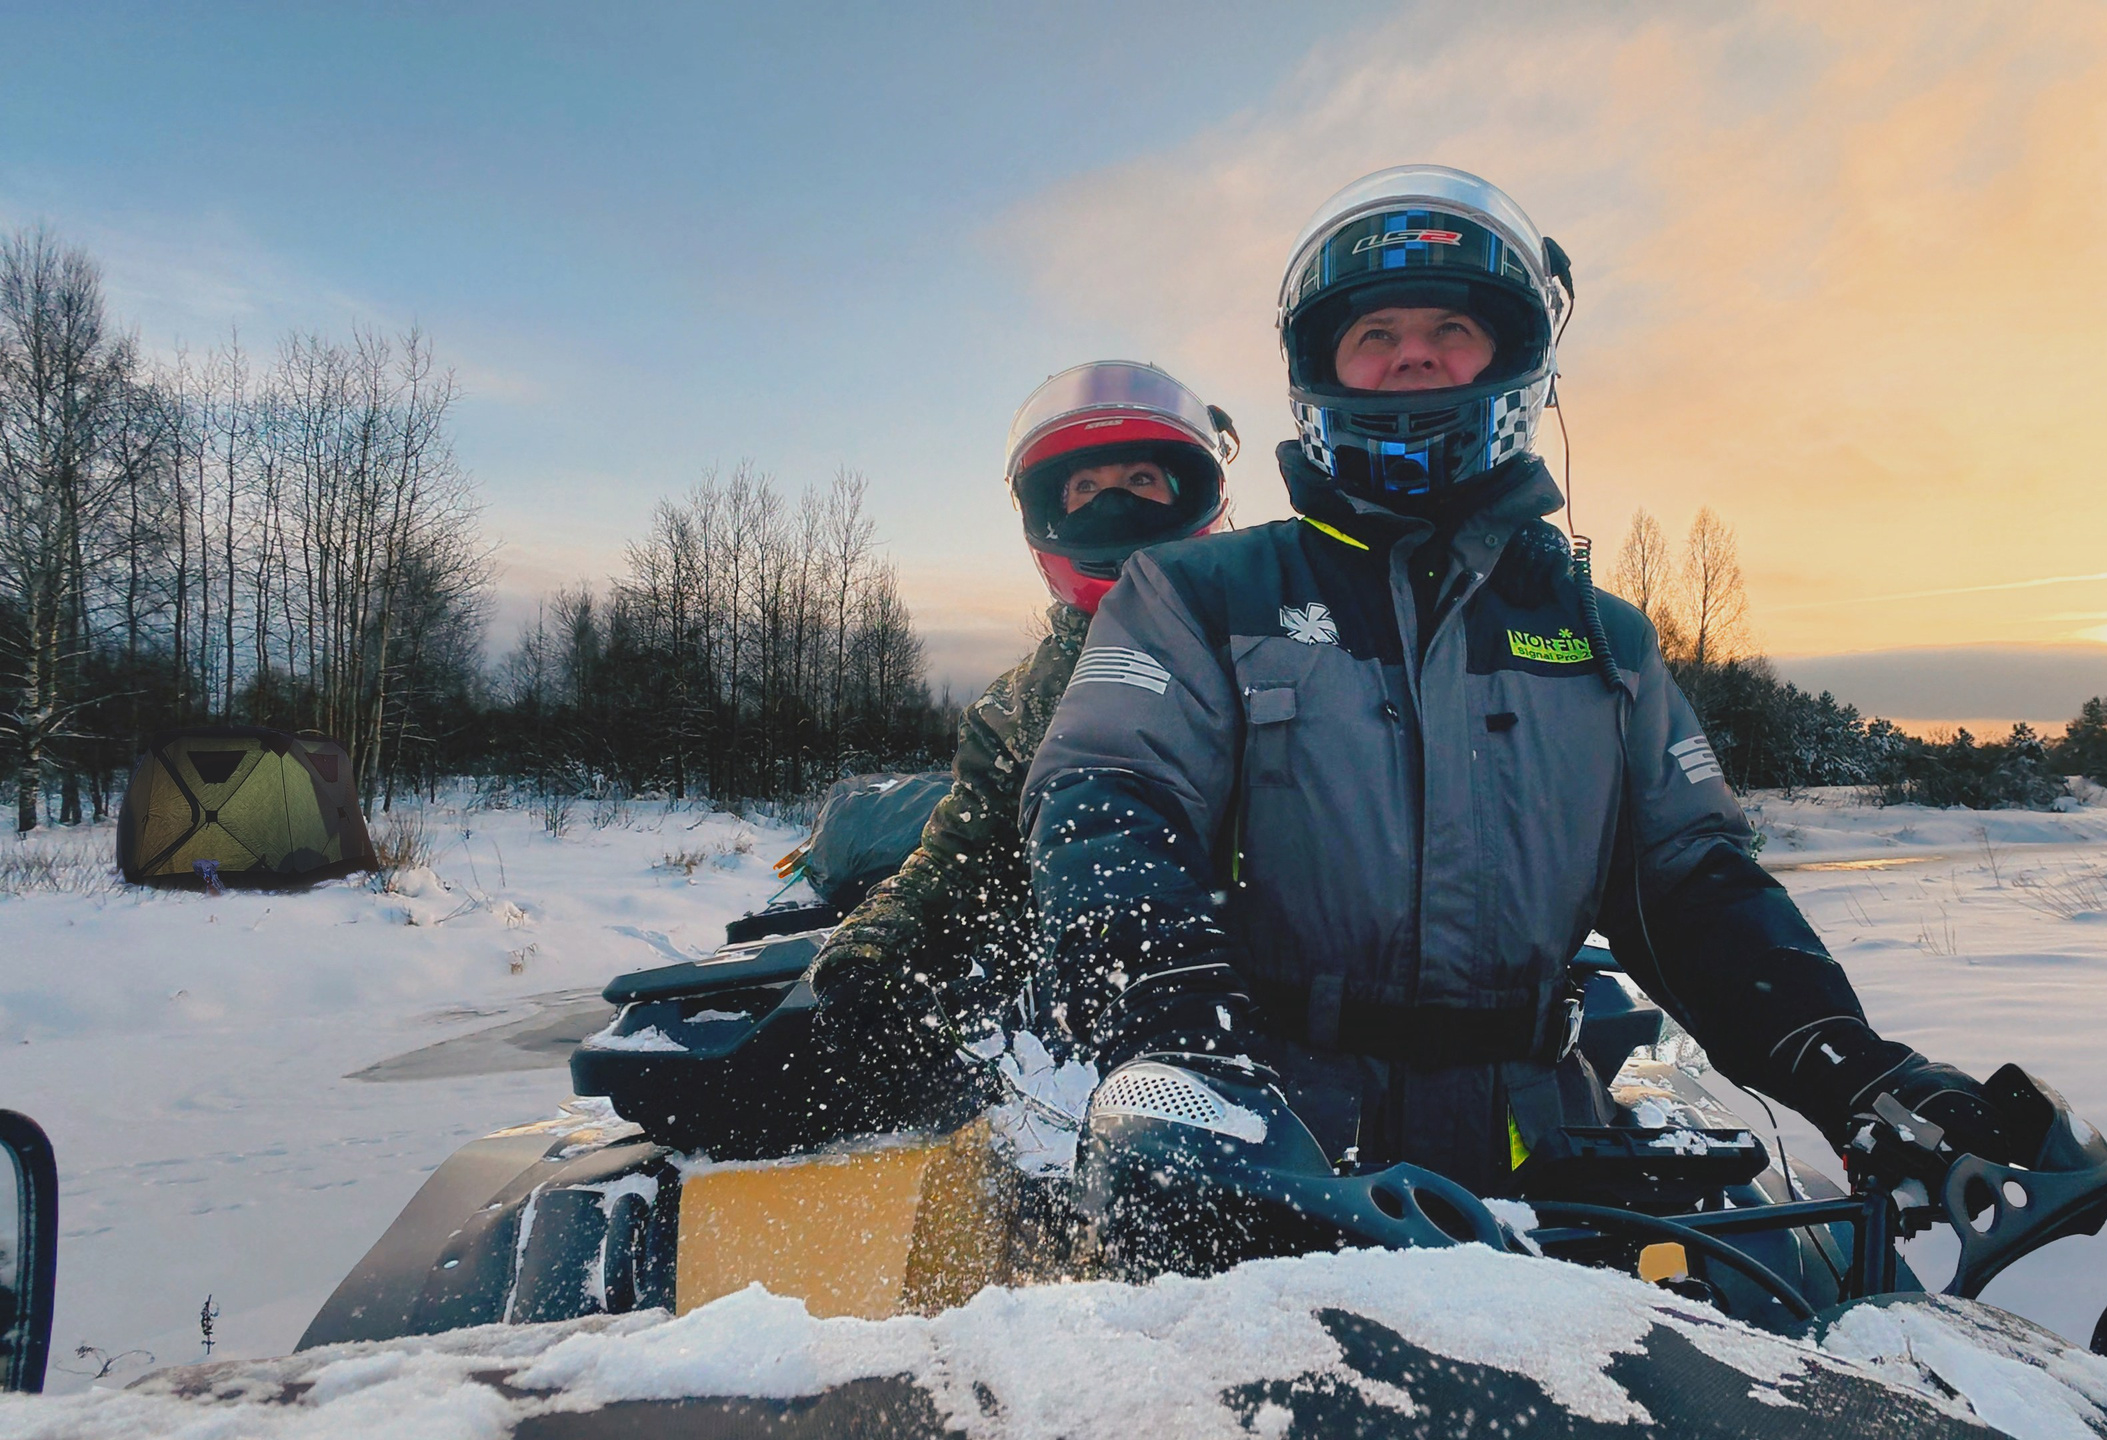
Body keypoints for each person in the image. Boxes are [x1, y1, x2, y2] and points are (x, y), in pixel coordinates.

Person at [1022, 166, 2026, 1196]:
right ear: (1323, 367)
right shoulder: (1197, 592)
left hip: (1543, 1159)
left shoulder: (1605, 641)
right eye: (1375, 334)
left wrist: (1850, 1067)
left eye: (1450, 326)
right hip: (1270, 1143)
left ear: (1515, 356)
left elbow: (1694, 886)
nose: (1413, 351)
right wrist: (1175, 1026)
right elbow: (1109, 802)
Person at [804, 360, 1236, 1127]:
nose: (1111, 505)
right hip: (1094, 1048)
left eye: (1140, 478)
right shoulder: (1019, 705)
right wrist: (877, 950)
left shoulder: (1274, 640)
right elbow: (961, 860)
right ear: (1052, 512)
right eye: (1084, 489)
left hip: (1281, 1013)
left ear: (1189, 493)